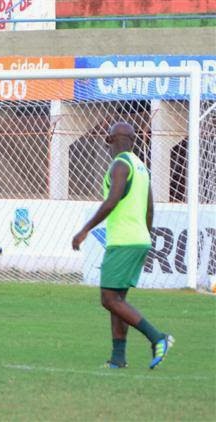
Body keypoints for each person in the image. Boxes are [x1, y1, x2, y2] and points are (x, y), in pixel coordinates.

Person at [72, 122, 173, 370]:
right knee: (118, 300)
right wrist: (146, 239)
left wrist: (85, 229)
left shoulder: (119, 165)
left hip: (124, 240)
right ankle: (118, 359)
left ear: (113, 139)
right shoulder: (141, 167)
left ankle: (157, 337)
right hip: (139, 239)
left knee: (108, 299)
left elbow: (112, 201)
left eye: (108, 140)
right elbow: (150, 208)